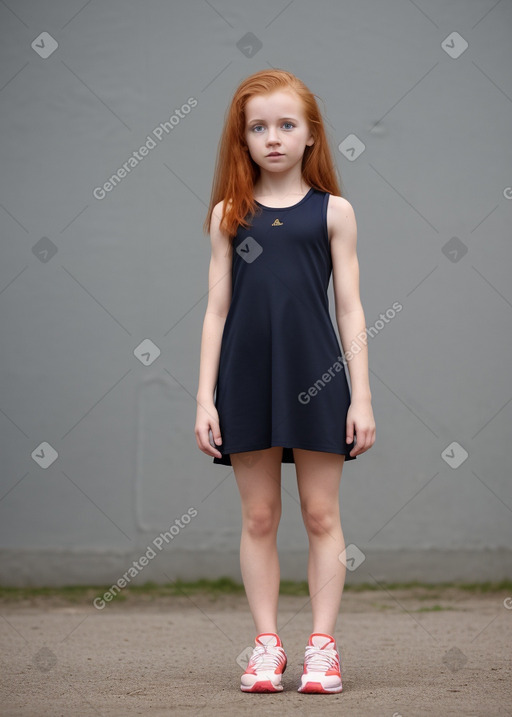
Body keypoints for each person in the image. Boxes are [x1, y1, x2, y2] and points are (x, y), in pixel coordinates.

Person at [195, 69, 376, 694]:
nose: (273, 137)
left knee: (322, 515)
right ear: (242, 139)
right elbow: (216, 312)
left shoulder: (335, 212)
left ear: (310, 136)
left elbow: (350, 309)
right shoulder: (228, 214)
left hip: (317, 375)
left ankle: (322, 648)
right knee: (260, 518)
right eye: (258, 127)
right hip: (245, 380)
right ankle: (266, 647)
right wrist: (203, 399)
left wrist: (362, 396)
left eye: (286, 125)